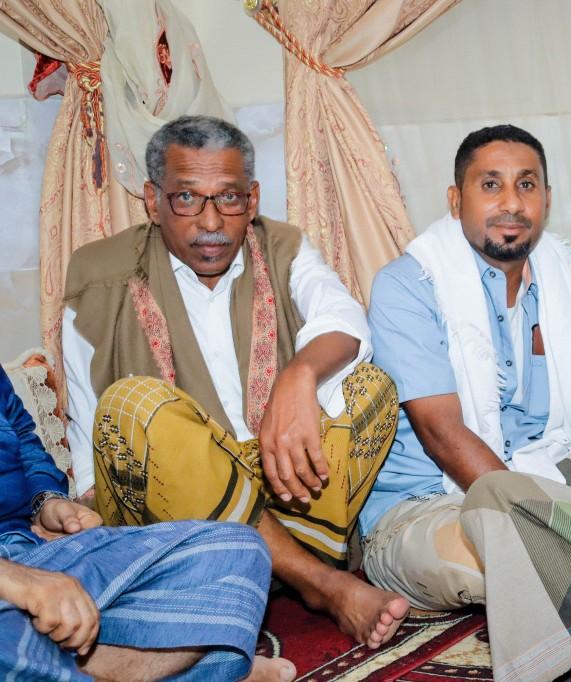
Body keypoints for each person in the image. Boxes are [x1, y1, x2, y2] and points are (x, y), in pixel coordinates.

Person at [360, 125, 571, 681]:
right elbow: (442, 433)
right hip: (429, 508)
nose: (511, 203)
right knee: (532, 555)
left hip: (558, 474)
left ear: (546, 198)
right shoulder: (409, 286)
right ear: (455, 200)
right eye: (490, 185)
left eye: (526, 185)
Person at [62, 115, 408, 648]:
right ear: (153, 201)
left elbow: (344, 320)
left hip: (283, 482)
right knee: (135, 404)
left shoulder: (282, 246)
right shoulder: (98, 274)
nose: (211, 222)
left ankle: (263, 564)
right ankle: (316, 580)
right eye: (186, 198)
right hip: (171, 513)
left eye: (228, 198)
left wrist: (298, 377)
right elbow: (88, 422)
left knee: (372, 387)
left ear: (252, 199)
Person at [0, 365, 296, 681]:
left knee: (239, 549)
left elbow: (24, 438)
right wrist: (15, 580)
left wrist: (47, 502)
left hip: (36, 550)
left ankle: (64, 665)